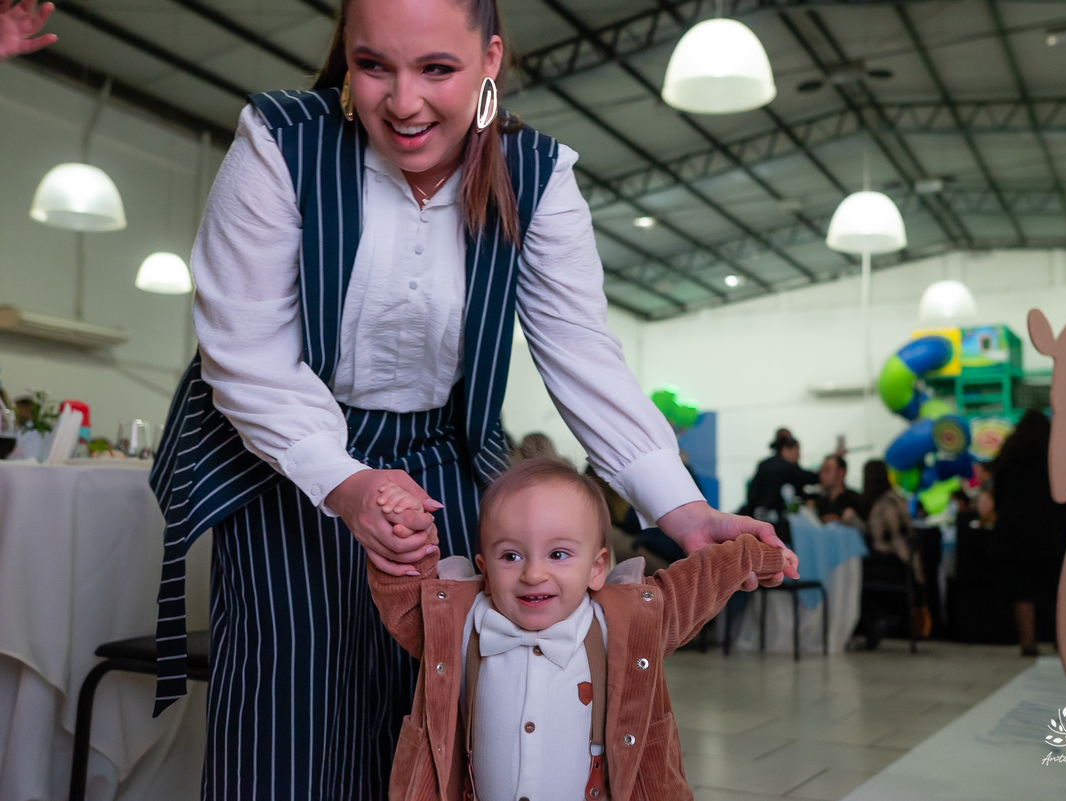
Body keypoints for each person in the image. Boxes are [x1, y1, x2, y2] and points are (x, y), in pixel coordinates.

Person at [147, 0, 783, 797]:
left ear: (489, 59)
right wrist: (345, 482)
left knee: (445, 709)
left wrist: (686, 513)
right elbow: (243, 350)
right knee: (292, 710)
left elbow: (583, 352)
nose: (403, 103)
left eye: (437, 70)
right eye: (374, 65)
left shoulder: (537, 174)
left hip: (438, 451)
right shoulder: (281, 140)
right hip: (286, 459)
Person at [367, 458, 798, 800]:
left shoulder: (627, 623)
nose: (534, 574)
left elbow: (696, 584)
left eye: (558, 554)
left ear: (597, 568)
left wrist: (751, 555)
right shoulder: (461, 622)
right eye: (511, 556)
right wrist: (404, 531)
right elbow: (406, 600)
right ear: (483, 567)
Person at [990, 410, 1066, 657]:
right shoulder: (1056, 451)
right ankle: (1062, 640)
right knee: (1058, 586)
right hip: (1052, 526)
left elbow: (998, 489)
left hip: (1015, 526)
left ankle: (1028, 641)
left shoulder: (1011, 450)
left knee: (1022, 586)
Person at [858, 459, 928, 647]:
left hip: (896, 565)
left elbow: (881, 541)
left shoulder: (883, 505)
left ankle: (872, 626)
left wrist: (851, 521)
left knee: (855, 575)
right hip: (908, 566)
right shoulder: (897, 499)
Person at [743, 431, 820, 541]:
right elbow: (809, 478)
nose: (798, 457)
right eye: (797, 452)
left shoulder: (763, 465)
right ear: (786, 450)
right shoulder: (786, 467)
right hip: (777, 524)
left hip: (757, 518)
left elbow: (752, 493)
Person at [814, 453, 861, 524]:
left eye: (827, 470)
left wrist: (842, 522)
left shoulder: (856, 501)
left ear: (841, 473)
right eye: (821, 470)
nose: (821, 474)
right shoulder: (819, 502)